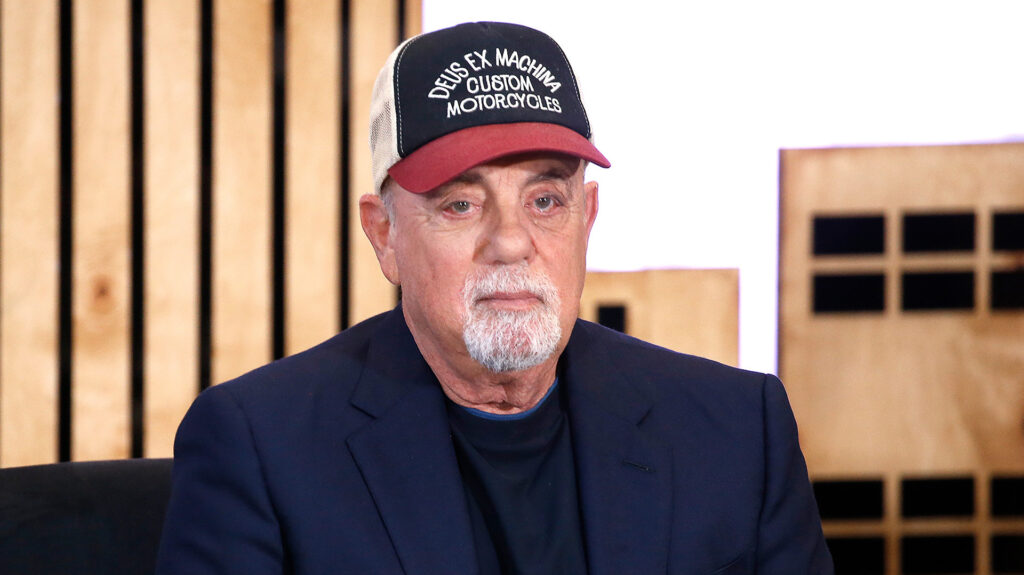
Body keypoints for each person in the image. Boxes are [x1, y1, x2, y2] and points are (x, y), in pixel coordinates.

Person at [156, 21, 832, 574]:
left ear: (587, 220)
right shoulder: (260, 448)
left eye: (545, 201)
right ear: (384, 234)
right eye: (460, 204)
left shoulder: (739, 432)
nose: (511, 242)